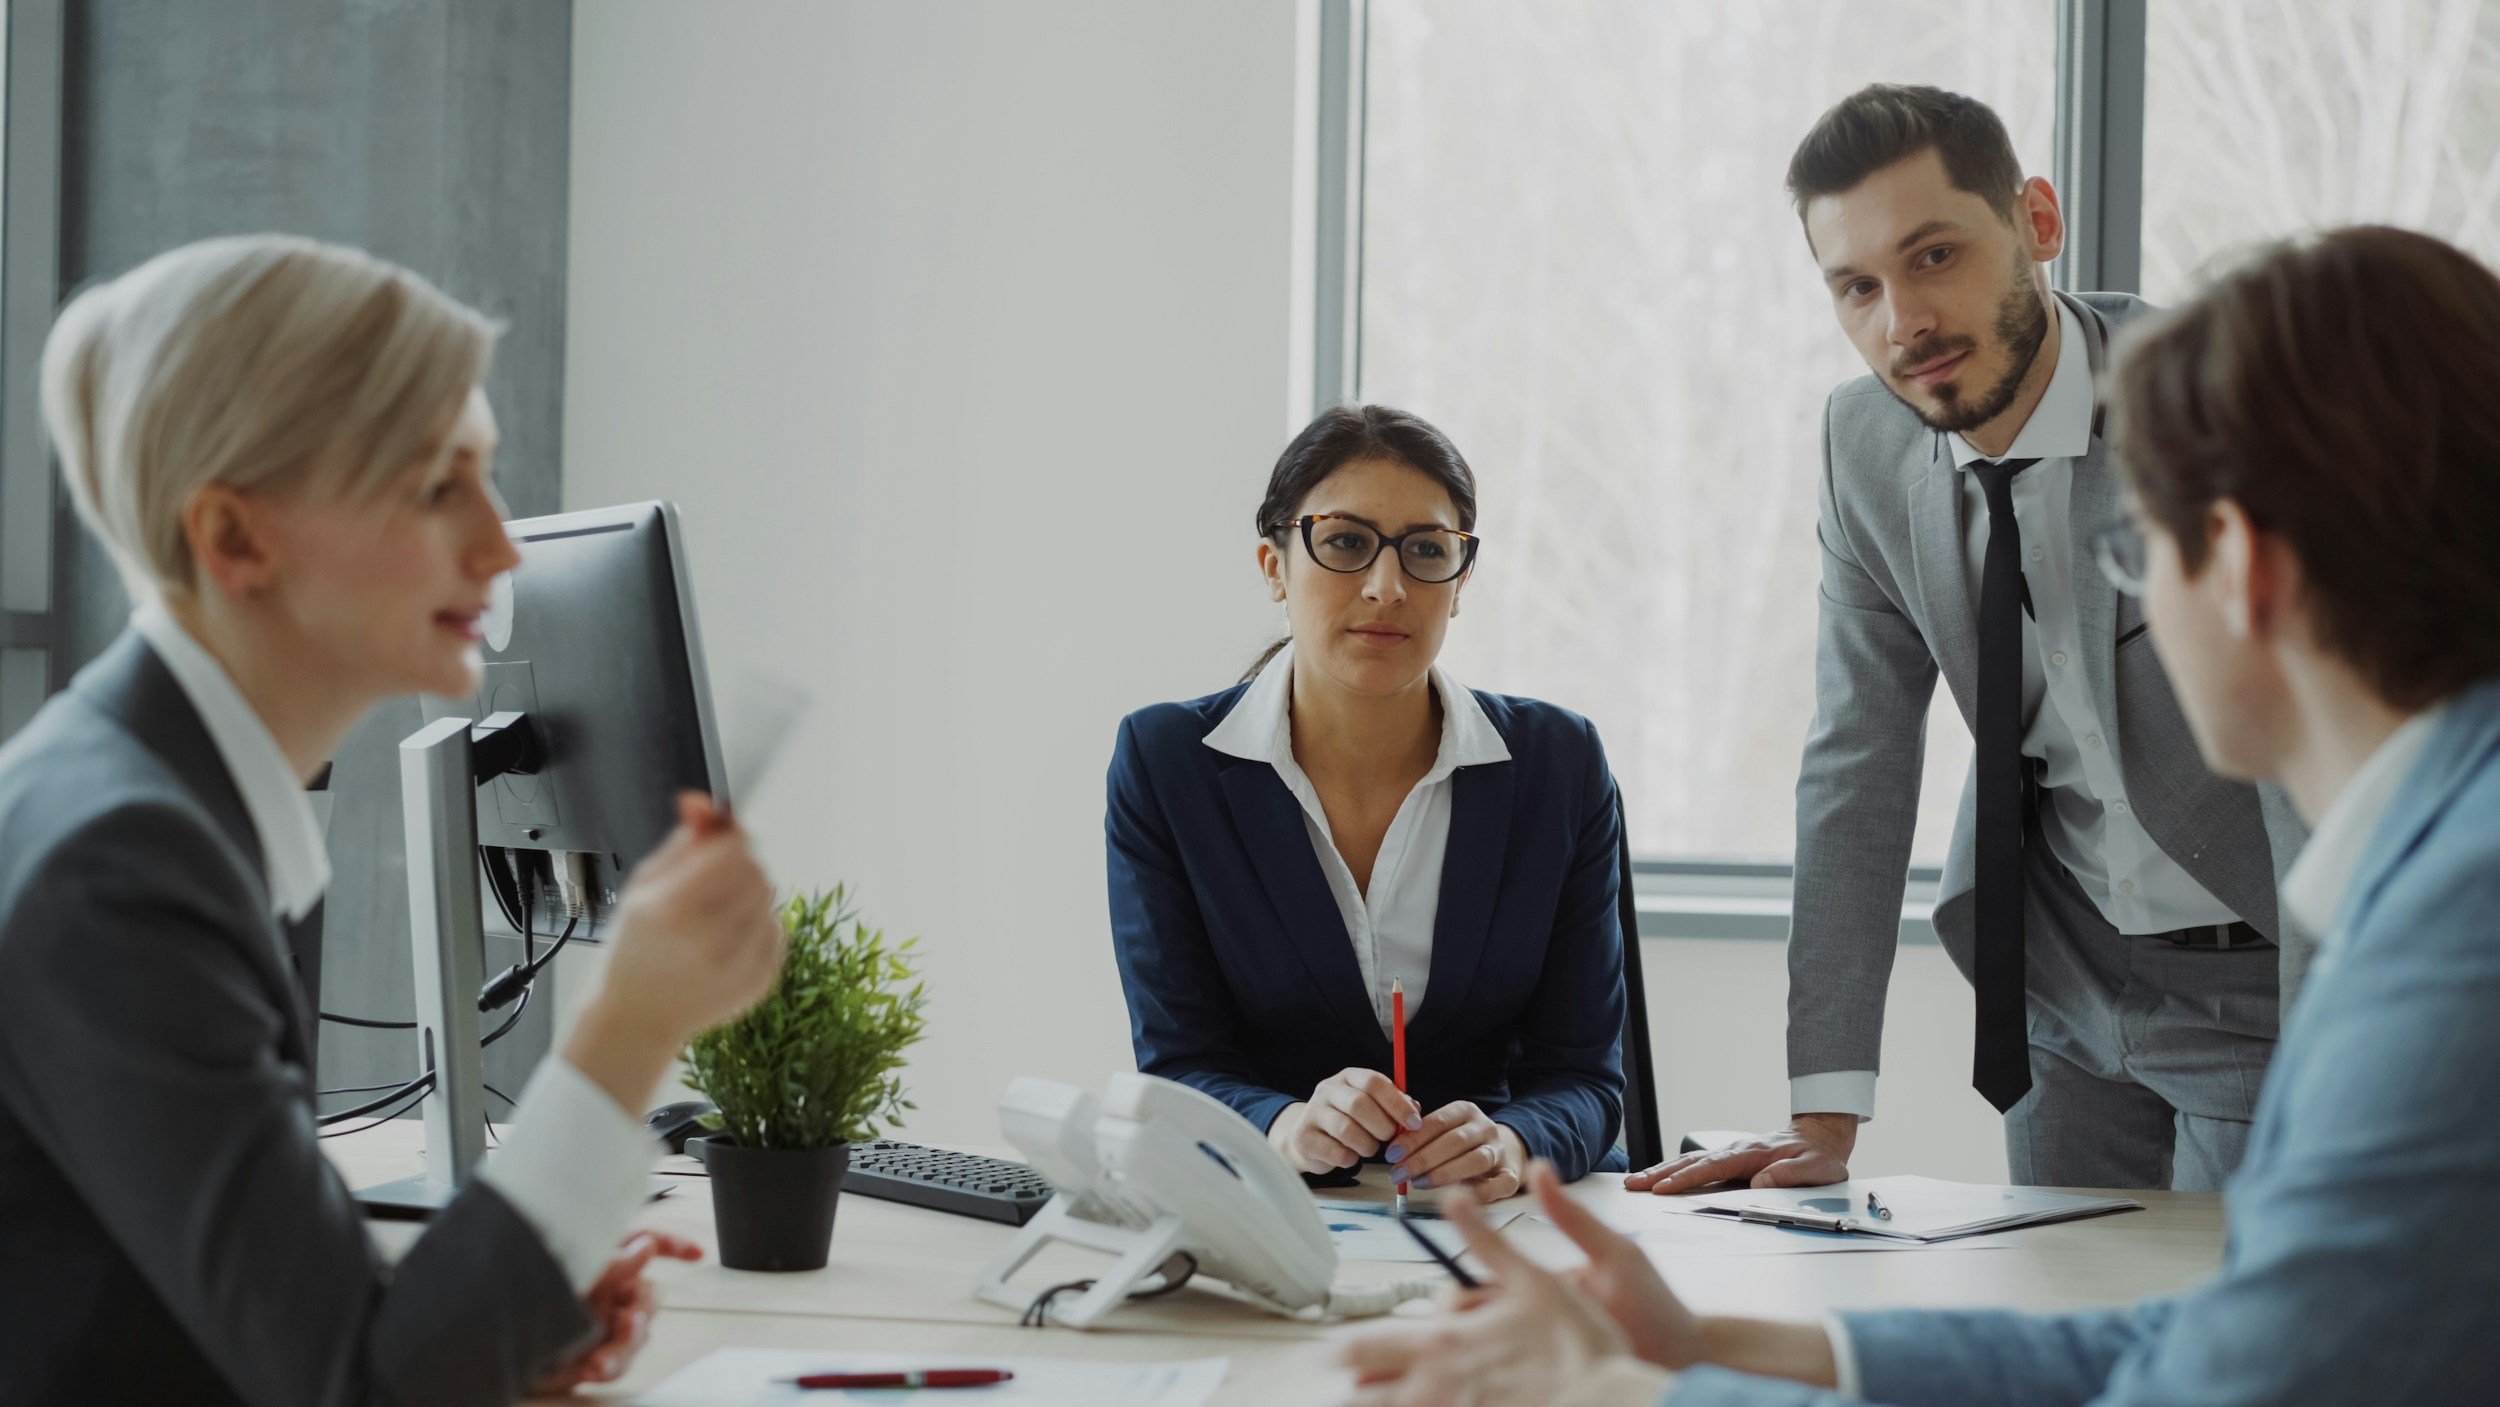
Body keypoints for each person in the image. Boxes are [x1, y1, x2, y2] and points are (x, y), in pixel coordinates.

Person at [1340, 223, 2500, 1407]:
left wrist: (1617, 1401)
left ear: (2242, 567)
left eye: (2130, 546)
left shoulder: (2452, 944)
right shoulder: (2444, 854)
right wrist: (1714, 1349)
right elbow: (2211, 1345)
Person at [0, 235, 788, 1406]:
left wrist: (491, 1321)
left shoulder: (147, 803)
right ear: (232, 539)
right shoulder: (118, 864)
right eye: (434, 486)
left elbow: (270, 1315)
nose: (498, 543)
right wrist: (630, 1025)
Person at [1636, 85, 2303, 1197]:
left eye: (1934, 255)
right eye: (1857, 287)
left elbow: (2305, 744)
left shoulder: (2211, 401)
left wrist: (2352, 1042)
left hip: (2263, 974)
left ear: (2037, 222)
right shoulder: (1863, 445)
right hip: (2059, 978)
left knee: (2247, 1352)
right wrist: (1825, 1112)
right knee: (2056, 1327)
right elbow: (1855, 759)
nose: (1902, 321)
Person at [1106, 404, 1629, 1193]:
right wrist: (1281, 1126)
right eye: (1346, 543)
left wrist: (1512, 1143)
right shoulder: (1166, 764)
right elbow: (1182, 1063)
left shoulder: (1559, 765)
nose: (1388, 587)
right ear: (1274, 564)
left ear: (1459, 584)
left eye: (1427, 551)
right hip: (1280, 1212)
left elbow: (1587, 1079)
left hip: (1497, 1220)